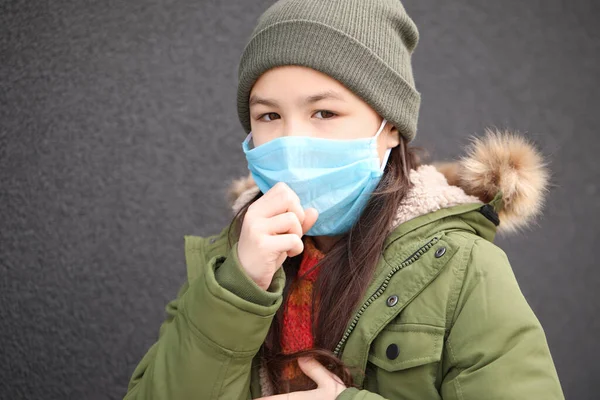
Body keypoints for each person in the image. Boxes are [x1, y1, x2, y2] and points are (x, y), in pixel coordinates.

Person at [124, 0, 565, 399]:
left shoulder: (462, 267)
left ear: (390, 126)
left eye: (325, 112)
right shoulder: (229, 262)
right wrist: (238, 290)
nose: (293, 139)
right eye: (269, 115)